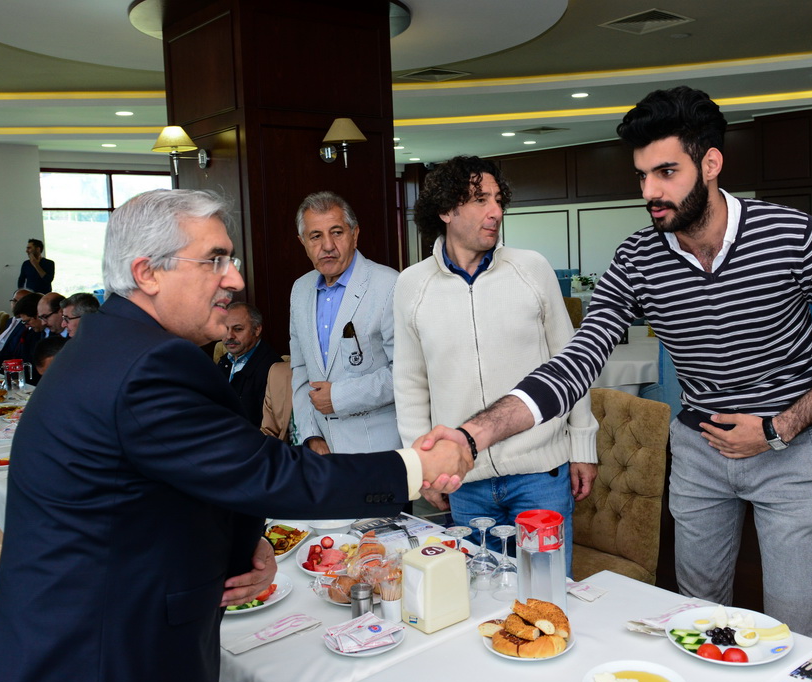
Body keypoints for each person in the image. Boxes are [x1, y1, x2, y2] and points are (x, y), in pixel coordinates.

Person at [0, 189, 469, 682]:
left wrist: (240, 545)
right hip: (96, 679)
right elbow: (266, 472)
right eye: (215, 260)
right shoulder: (148, 365)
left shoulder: (110, 342)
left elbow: (166, 486)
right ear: (147, 273)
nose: (236, 279)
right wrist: (417, 467)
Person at [419, 88, 812, 639]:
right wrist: (472, 435)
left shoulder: (793, 235)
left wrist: (778, 427)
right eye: (642, 175)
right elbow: (576, 361)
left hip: (789, 450)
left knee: (795, 625)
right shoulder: (637, 258)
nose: (650, 191)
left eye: (666, 172)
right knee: (696, 618)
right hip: (699, 451)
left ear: (710, 163)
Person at [394, 155, 598, 571]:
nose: (496, 212)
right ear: (446, 210)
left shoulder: (531, 269)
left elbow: (571, 364)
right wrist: (424, 467)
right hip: (465, 481)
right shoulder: (411, 285)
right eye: (480, 200)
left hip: (541, 473)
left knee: (546, 591)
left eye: (498, 200)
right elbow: (411, 383)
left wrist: (583, 446)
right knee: (479, 594)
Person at [288, 191, 401, 454]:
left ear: (355, 234)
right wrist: (310, 435)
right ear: (303, 242)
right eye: (316, 236)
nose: (327, 245)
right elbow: (300, 370)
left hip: (379, 450)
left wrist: (338, 398)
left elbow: (406, 374)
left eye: (337, 232)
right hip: (322, 450)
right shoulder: (300, 289)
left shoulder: (389, 285)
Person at [216, 302, 282, 427]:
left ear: (256, 330)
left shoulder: (272, 368)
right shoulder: (224, 362)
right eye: (225, 329)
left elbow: (267, 427)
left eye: (238, 329)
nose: (229, 336)